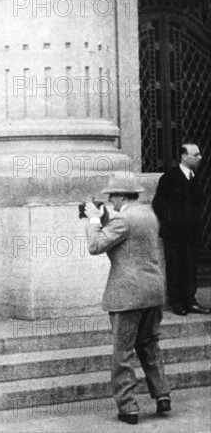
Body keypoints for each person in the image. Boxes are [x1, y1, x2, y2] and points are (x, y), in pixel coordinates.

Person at [85, 175, 172, 425]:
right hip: (153, 291)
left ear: (122, 195)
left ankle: (129, 407)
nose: (110, 199)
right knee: (149, 344)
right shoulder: (148, 214)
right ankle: (162, 393)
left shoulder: (123, 218)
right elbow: (126, 239)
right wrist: (104, 219)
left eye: (112, 195)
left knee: (122, 352)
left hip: (128, 295)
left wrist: (93, 220)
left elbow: (96, 245)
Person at [152, 144, 209, 316]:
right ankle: (176, 302)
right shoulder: (169, 178)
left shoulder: (195, 177)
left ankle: (190, 300)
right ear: (184, 156)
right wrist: (171, 223)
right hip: (174, 233)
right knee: (175, 266)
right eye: (196, 154)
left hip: (191, 233)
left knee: (191, 266)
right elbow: (158, 204)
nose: (200, 158)